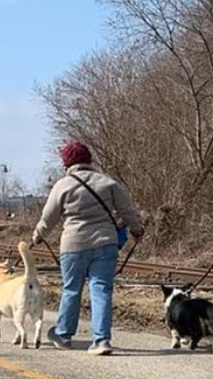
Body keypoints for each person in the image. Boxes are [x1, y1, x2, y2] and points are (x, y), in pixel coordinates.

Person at [33, 140, 145, 356]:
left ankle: (64, 335)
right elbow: (128, 211)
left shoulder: (62, 185)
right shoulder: (107, 182)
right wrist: (137, 230)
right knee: (101, 289)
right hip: (105, 243)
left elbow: (48, 218)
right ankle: (102, 340)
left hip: (74, 245)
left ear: (66, 163)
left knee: (72, 289)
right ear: (89, 159)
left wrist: (37, 235)